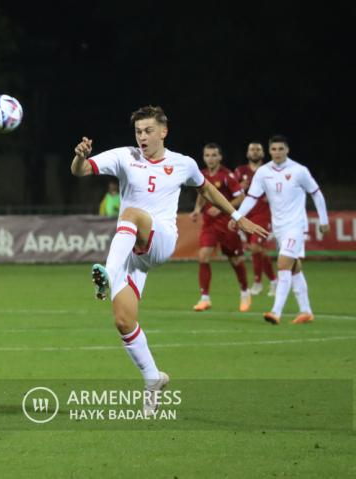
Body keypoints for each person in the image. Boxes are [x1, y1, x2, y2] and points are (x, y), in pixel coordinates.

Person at [71, 106, 266, 415]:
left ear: (164, 131)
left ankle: (107, 274)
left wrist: (238, 217)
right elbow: (80, 171)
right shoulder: (125, 156)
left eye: (148, 131)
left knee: (131, 213)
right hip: (133, 253)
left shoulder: (183, 164)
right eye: (138, 131)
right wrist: (81, 155)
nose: (142, 137)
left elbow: (209, 190)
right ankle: (153, 378)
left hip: (160, 240)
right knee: (123, 321)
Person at [233, 135, 329, 325]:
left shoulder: (299, 171)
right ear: (269, 151)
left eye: (280, 149)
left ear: (287, 150)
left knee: (283, 264)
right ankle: (306, 311)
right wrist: (237, 216)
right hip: (279, 228)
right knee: (294, 267)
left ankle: (276, 312)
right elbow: (252, 197)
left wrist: (323, 220)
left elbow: (316, 193)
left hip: (296, 226)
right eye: (274, 149)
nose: (277, 152)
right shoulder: (264, 172)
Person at [189, 143, 251, 312]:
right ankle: (205, 298)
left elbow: (241, 197)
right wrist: (196, 210)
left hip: (228, 225)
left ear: (220, 157)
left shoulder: (227, 176)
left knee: (236, 260)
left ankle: (245, 292)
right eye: (207, 155)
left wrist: (223, 207)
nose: (210, 158)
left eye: (214, 155)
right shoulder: (201, 174)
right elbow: (202, 195)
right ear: (203, 157)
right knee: (203, 256)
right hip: (209, 224)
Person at [234, 142, 277, 296]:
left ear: (262, 153)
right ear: (247, 153)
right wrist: (240, 186)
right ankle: (262, 282)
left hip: (263, 214)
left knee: (256, 248)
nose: (255, 152)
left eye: (258, 149)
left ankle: (270, 281)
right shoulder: (240, 171)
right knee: (256, 250)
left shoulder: (270, 170)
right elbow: (234, 192)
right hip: (246, 215)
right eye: (252, 149)